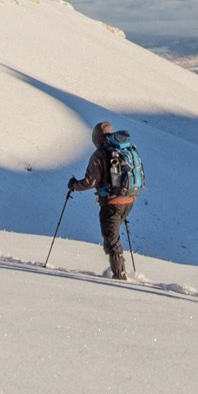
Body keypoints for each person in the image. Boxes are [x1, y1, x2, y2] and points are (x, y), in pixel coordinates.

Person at [67, 120, 141, 280]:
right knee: (113, 237)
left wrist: (74, 185)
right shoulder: (125, 148)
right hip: (129, 199)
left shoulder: (100, 154)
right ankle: (120, 271)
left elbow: (90, 181)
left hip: (111, 201)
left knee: (111, 239)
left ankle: (119, 277)